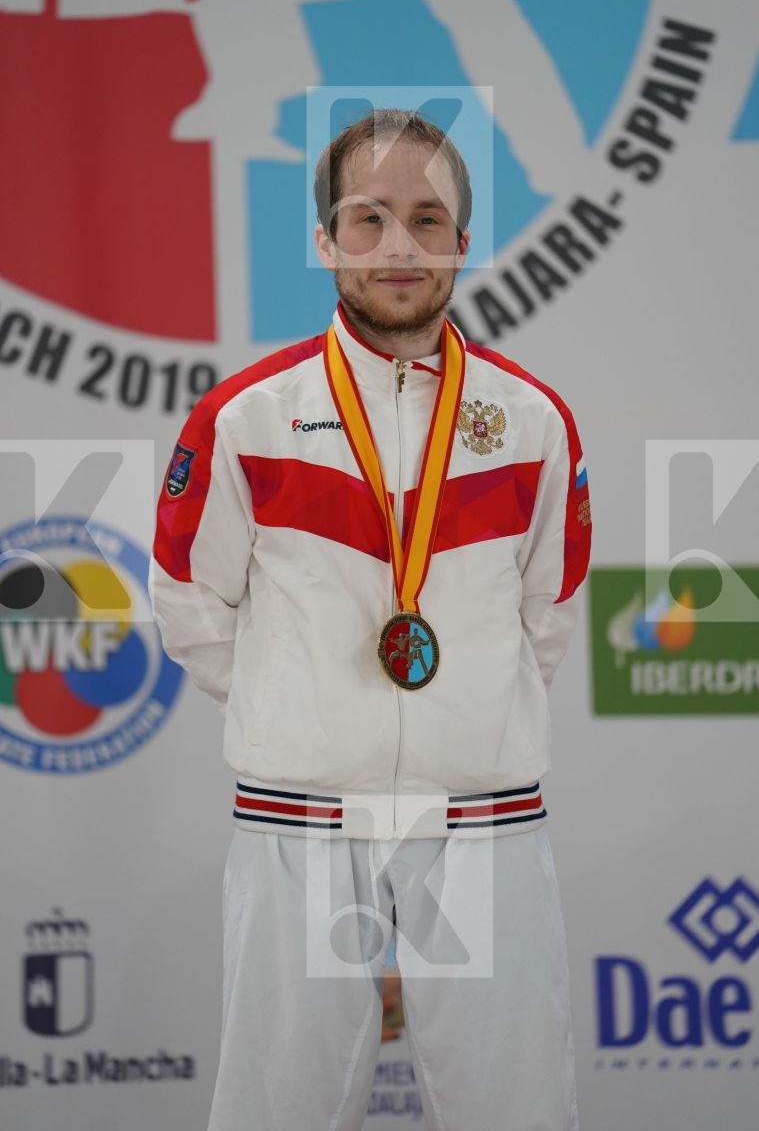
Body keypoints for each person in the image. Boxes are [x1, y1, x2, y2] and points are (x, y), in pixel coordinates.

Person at [149, 108, 591, 1131]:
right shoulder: (247, 416)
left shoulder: (527, 420)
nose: (398, 246)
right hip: (301, 818)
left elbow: (549, 608)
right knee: (280, 1104)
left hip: (476, 820)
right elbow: (189, 598)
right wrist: (295, 703)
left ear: (461, 240)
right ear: (323, 240)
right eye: (368, 218)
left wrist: (466, 714)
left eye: (426, 219)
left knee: (510, 1105)